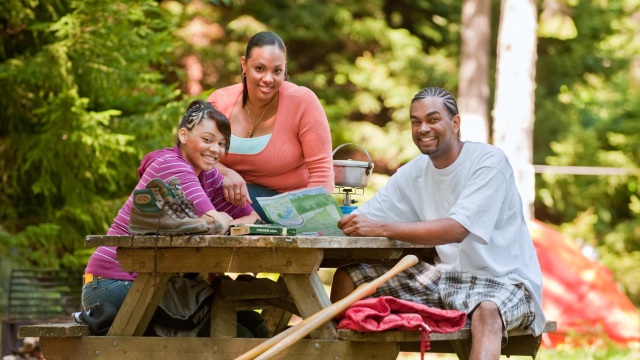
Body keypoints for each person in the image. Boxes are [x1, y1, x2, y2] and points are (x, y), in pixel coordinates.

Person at [331, 87, 545, 359]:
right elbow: (366, 218)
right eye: (415, 121)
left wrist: (380, 228)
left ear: (455, 124)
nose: (423, 128)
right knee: (350, 277)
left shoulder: (489, 162)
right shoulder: (413, 172)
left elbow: (456, 230)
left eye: (433, 119)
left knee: (488, 311)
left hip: (504, 281)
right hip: (443, 279)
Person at [82, 100, 263, 335]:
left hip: (159, 282)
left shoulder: (209, 176)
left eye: (222, 144)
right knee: (237, 333)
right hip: (113, 282)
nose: (215, 150)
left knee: (251, 322)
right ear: (184, 135)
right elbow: (215, 221)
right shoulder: (170, 165)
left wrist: (223, 219)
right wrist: (223, 220)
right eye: (207, 140)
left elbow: (254, 219)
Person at [207, 31, 334, 222]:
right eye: (259, 68)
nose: (268, 79)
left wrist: (304, 219)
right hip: (227, 197)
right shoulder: (220, 101)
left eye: (277, 71)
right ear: (244, 65)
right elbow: (194, 153)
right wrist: (226, 172)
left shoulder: (302, 102)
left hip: (288, 208)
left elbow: (322, 172)